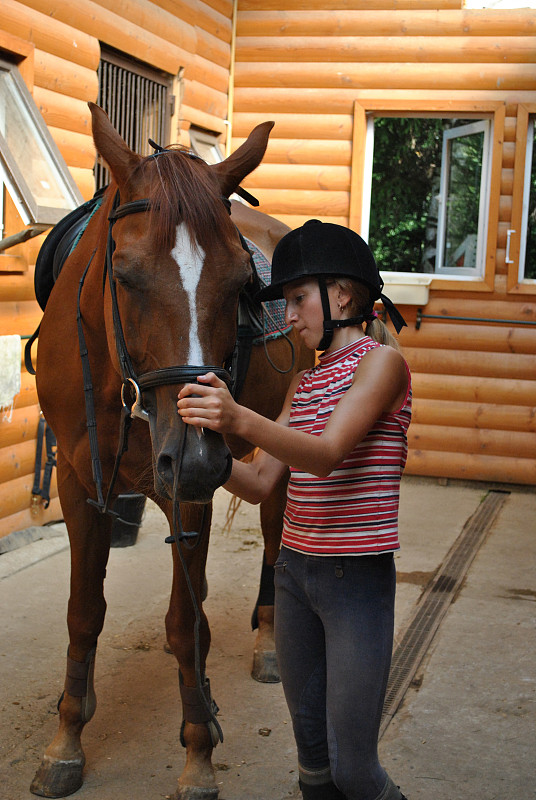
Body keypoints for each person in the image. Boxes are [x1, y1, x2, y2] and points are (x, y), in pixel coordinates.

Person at [177, 219, 411, 800]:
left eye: (298, 299)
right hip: (295, 580)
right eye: (284, 302)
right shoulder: (302, 384)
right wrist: (202, 455)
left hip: (355, 580)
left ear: (344, 296)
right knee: (312, 768)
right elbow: (259, 481)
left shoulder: (381, 366)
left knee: (356, 771)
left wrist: (236, 418)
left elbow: (328, 455)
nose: (288, 316)